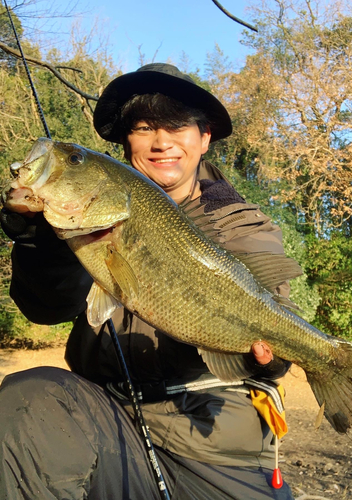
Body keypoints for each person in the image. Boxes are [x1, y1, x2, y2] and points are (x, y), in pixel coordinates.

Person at [0, 63, 296, 499]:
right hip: (104, 422)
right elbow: (46, 309)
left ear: (204, 137)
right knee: (28, 398)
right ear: (126, 143)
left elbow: (271, 316)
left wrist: (270, 359)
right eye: (143, 128)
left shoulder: (244, 226)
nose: (161, 142)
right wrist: (40, 243)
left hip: (213, 442)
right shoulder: (88, 216)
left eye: (177, 126)